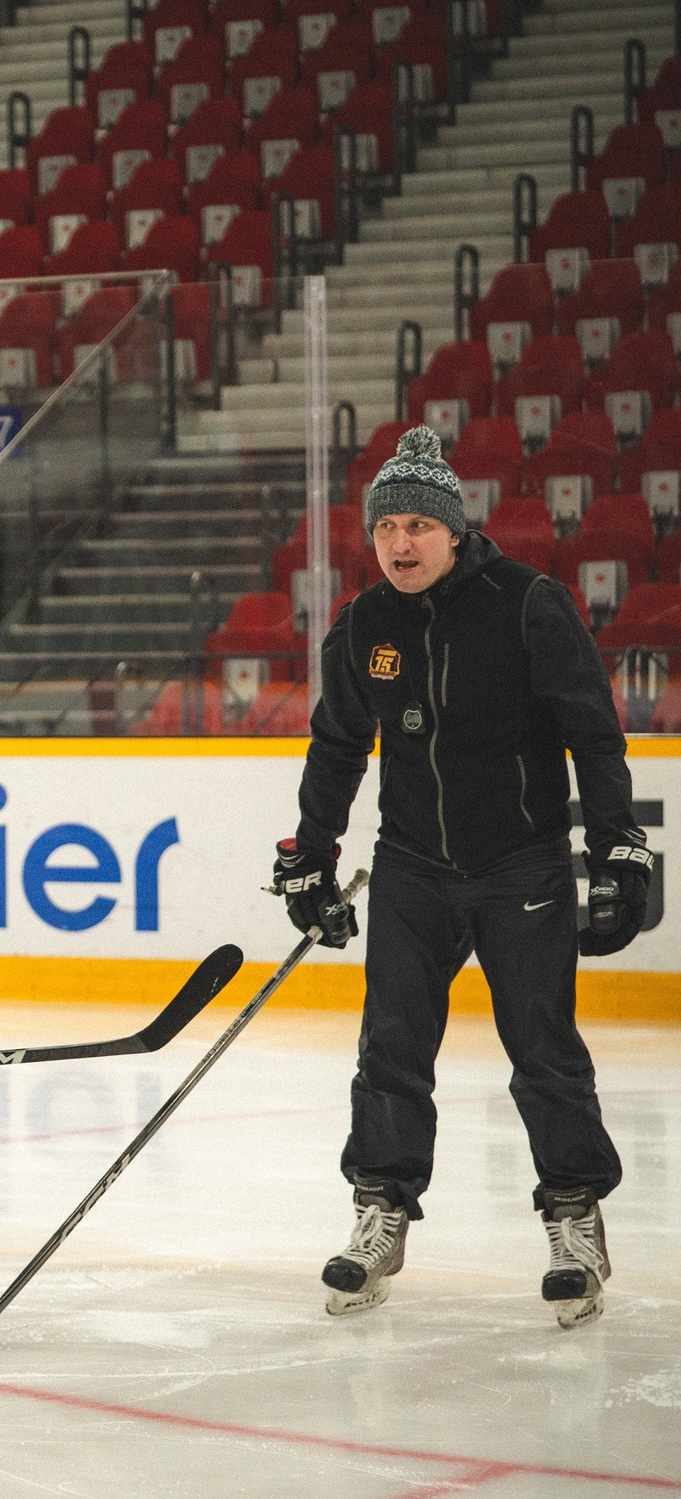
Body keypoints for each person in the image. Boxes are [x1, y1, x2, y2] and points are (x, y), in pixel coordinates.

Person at [281, 426, 654, 1327]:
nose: (400, 544)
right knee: (391, 1049)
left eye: (417, 525)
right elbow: (339, 748)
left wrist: (618, 849)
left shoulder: (528, 605)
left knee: (543, 1052)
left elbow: (592, 737)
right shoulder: (365, 623)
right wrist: (309, 856)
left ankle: (574, 1219)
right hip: (412, 867)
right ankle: (380, 1209)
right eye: (385, 529)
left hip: (519, 864)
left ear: (455, 531)